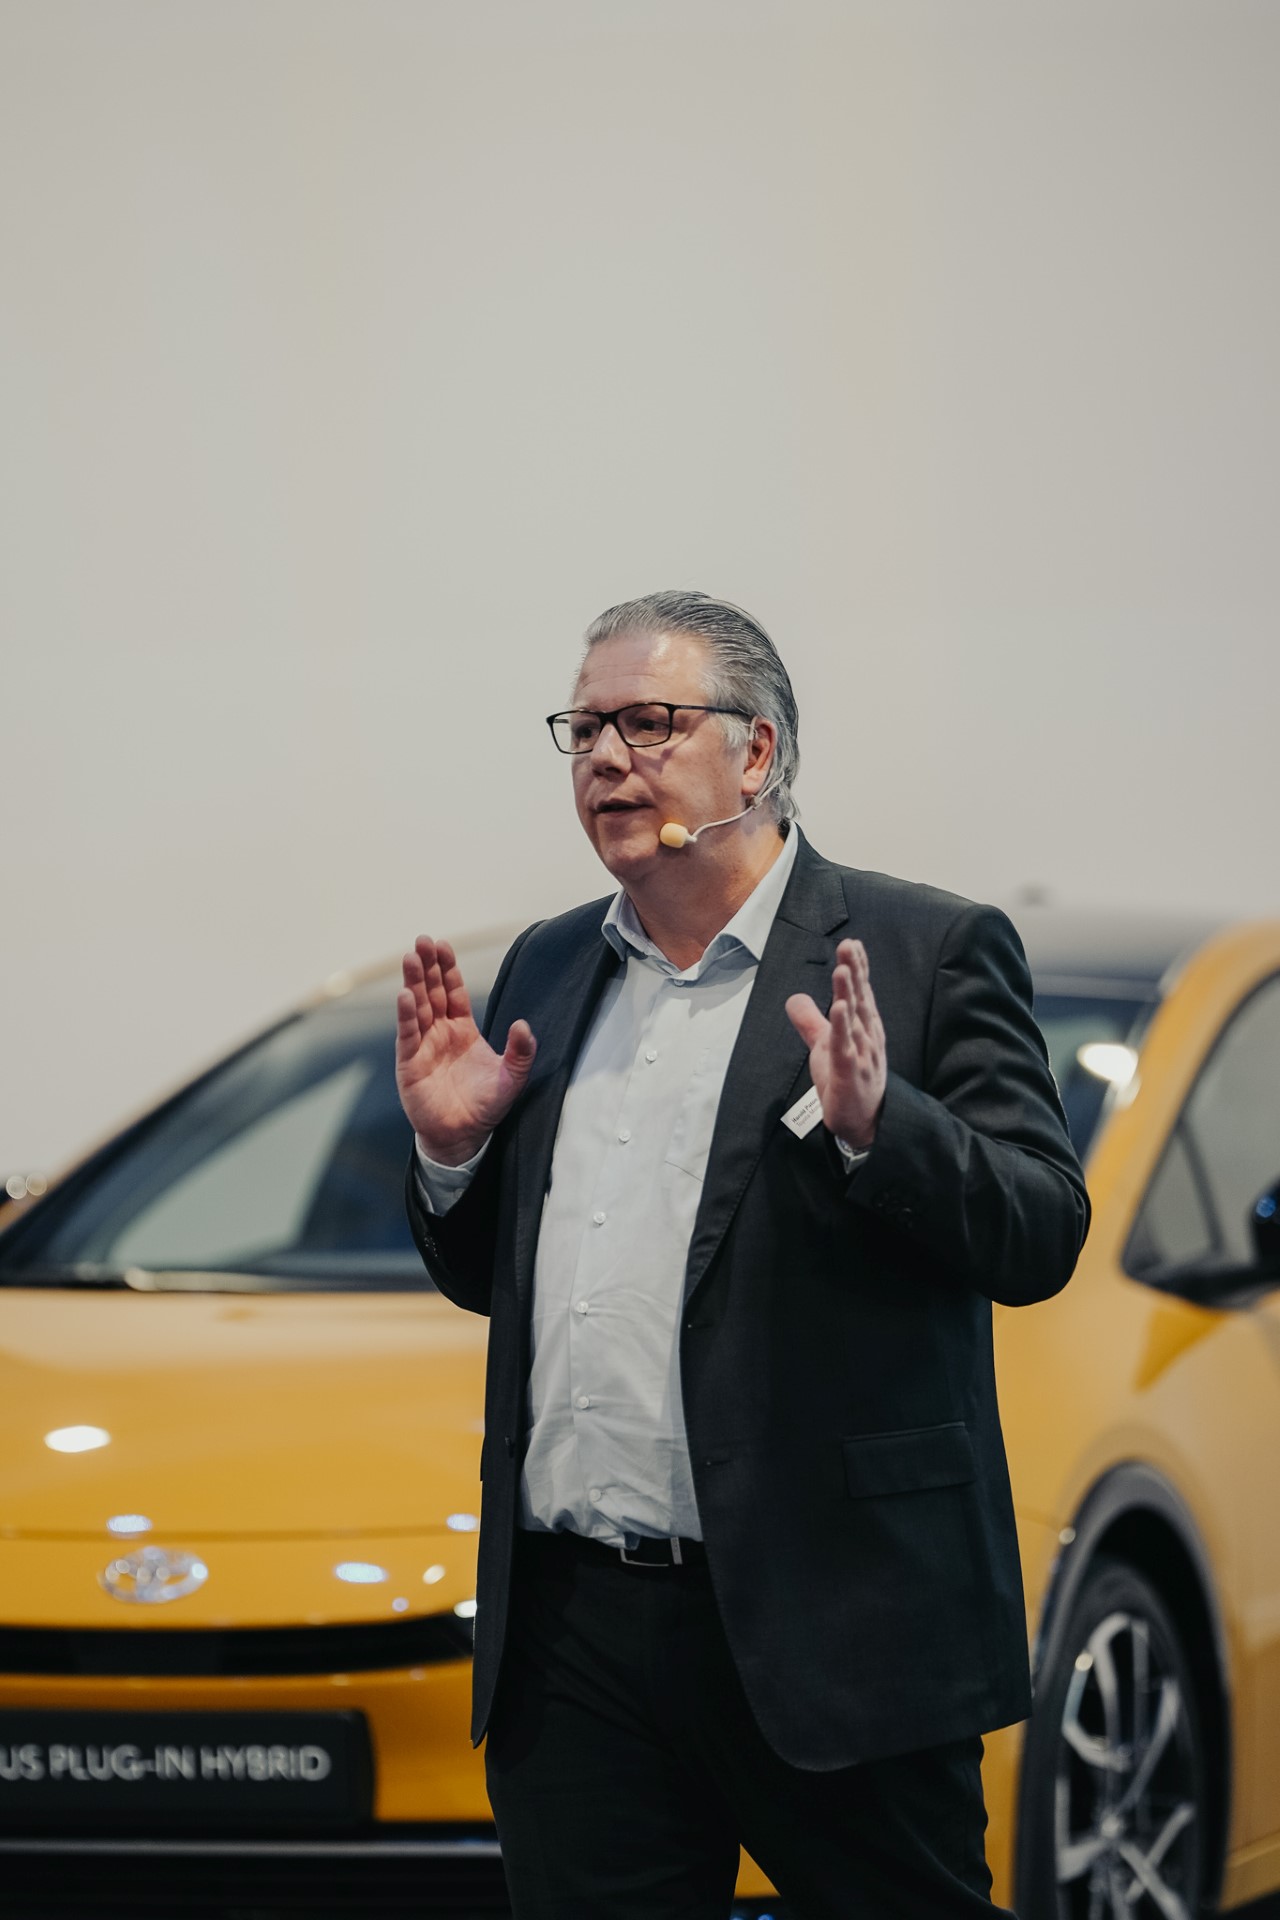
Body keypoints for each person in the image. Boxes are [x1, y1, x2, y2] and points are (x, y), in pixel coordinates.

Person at [396, 590, 1088, 1920]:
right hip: (577, 1634)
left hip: (839, 1617)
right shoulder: (550, 966)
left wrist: (883, 1129)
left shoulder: (923, 950)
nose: (607, 758)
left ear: (757, 752)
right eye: (585, 729)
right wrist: (451, 1155)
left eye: (649, 723)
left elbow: (1041, 1230)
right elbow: (498, 1284)